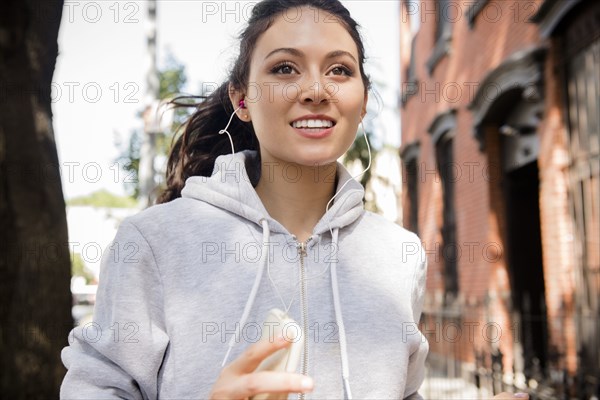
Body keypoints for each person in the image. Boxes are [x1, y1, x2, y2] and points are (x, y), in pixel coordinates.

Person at [60, 1, 528, 399]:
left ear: (362, 101)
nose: (316, 91)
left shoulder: (399, 255)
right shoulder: (153, 242)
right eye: (285, 67)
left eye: (339, 70)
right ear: (241, 99)